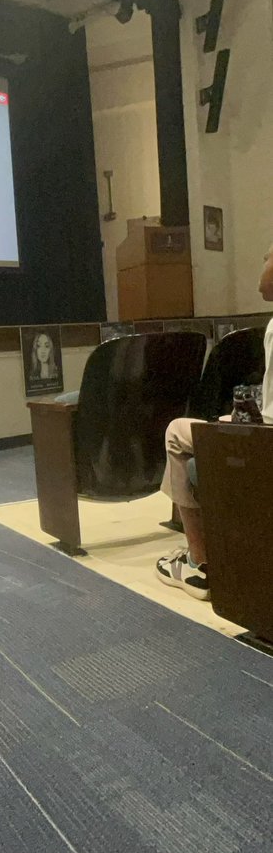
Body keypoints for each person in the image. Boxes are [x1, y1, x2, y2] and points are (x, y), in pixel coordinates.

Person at [156, 241, 273, 599]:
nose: (264, 260)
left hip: (266, 448)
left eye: (269, 256)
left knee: (176, 431)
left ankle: (198, 563)